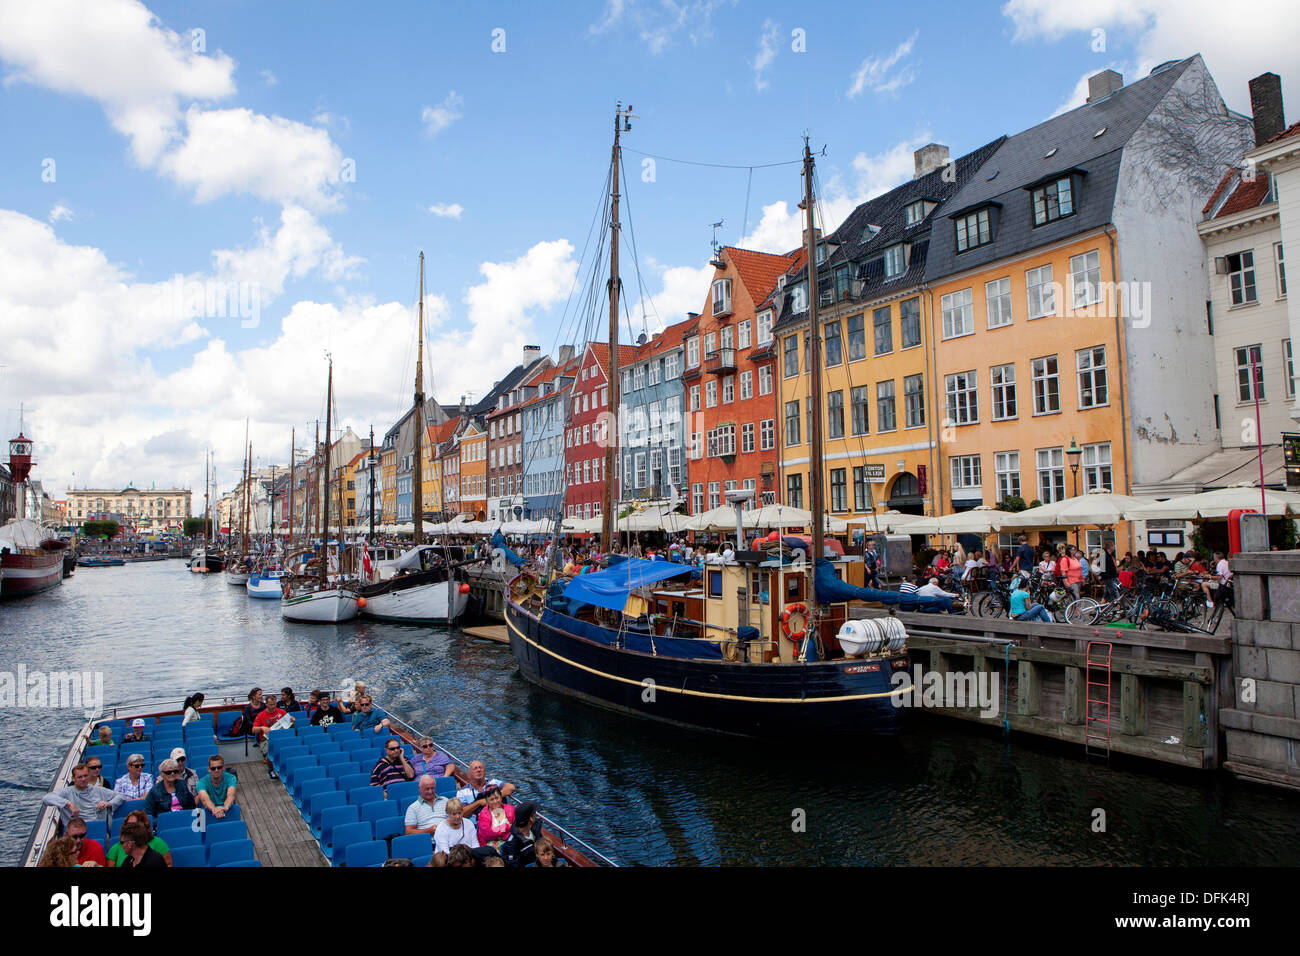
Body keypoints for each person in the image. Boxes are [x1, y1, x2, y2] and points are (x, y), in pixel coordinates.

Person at [42, 762, 124, 825]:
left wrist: (108, 803)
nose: (83, 779)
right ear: (73, 779)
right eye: (80, 777)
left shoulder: (98, 790)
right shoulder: (67, 792)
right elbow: (46, 798)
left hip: (96, 826)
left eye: (85, 776)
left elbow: (121, 796)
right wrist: (68, 803)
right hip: (75, 829)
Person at [106, 811, 173, 867]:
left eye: (134, 826)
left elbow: (168, 864)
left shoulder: (154, 860)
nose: (130, 829)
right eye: (129, 825)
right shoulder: (128, 860)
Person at [499, 802, 539, 868]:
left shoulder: (536, 829)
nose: (536, 815)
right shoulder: (511, 845)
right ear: (531, 819)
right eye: (534, 813)